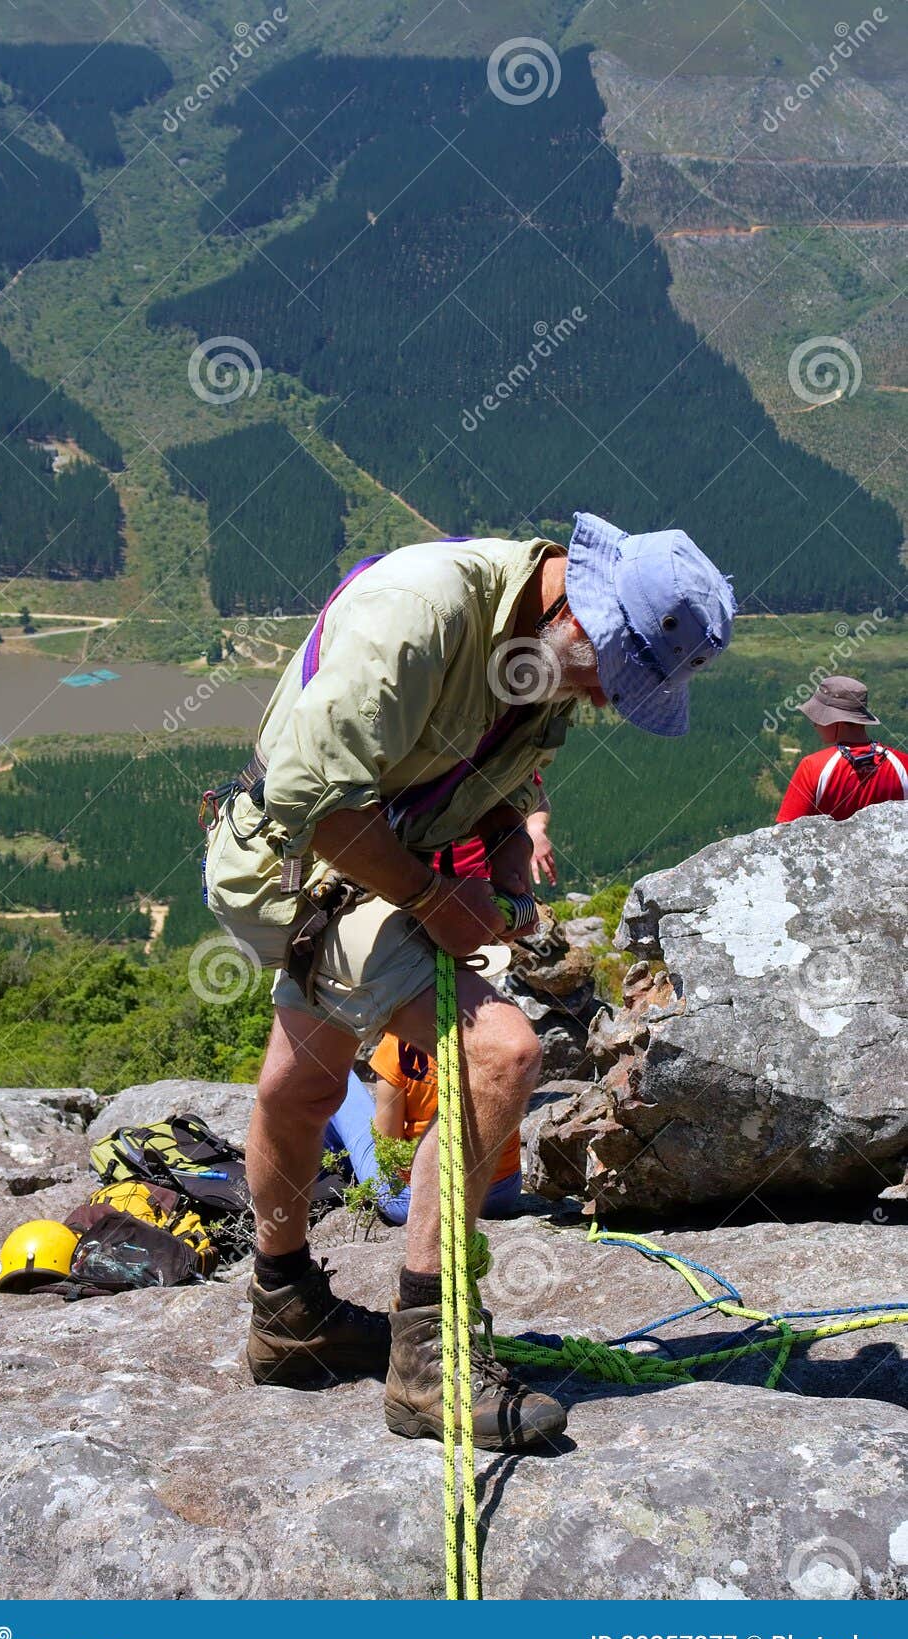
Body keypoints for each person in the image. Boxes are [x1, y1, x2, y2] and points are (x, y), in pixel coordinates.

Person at [203, 516, 736, 1452]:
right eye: (614, 676)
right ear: (582, 611)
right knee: (503, 1051)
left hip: (363, 860)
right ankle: (428, 1362)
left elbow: (490, 773)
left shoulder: (544, 635)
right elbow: (309, 796)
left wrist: (506, 867)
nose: (609, 701)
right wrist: (433, 902)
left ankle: (285, 1312)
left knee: (309, 1080)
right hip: (290, 864)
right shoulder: (419, 612)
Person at [324, 1028, 523, 1226]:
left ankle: (327, 1175)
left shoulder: (399, 1043)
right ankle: (336, 1168)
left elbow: (386, 1146)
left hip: (413, 1203)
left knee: (333, 1067)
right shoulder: (502, 1027)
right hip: (499, 1193)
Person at [775, 675, 906, 823]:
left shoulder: (812, 767)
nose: (815, 724)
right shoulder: (903, 764)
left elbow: (786, 833)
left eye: (818, 718)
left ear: (838, 721)